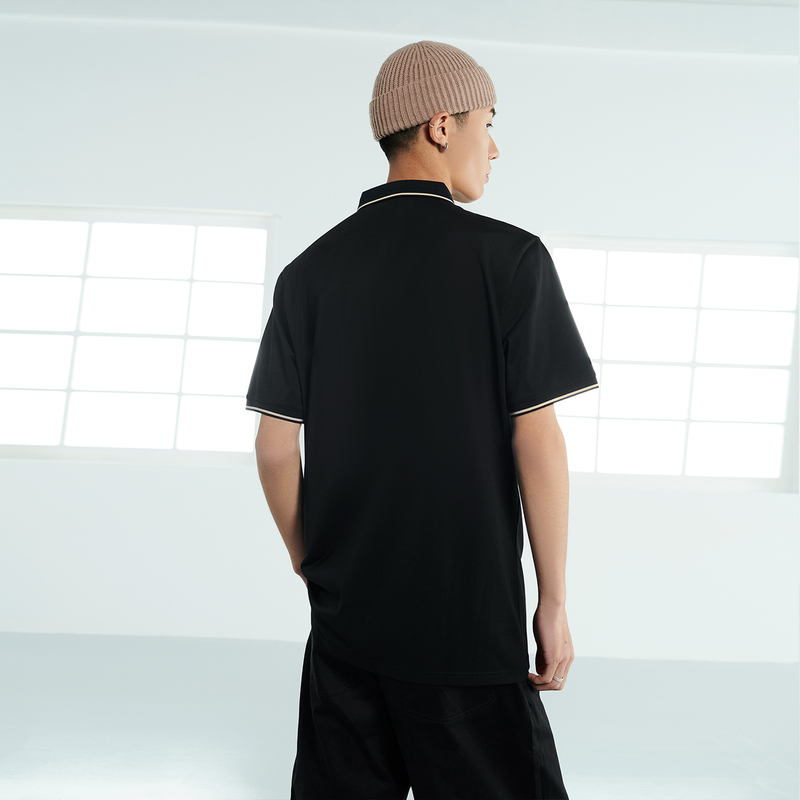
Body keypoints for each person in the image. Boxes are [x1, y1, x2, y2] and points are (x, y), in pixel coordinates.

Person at [246, 40, 598, 800]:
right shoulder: (510, 260)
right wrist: (553, 601)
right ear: (442, 125)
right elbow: (537, 440)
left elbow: (274, 447)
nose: (494, 148)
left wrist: (312, 562)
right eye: (488, 122)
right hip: (467, 627)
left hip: (346, 628)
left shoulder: (308, 274)